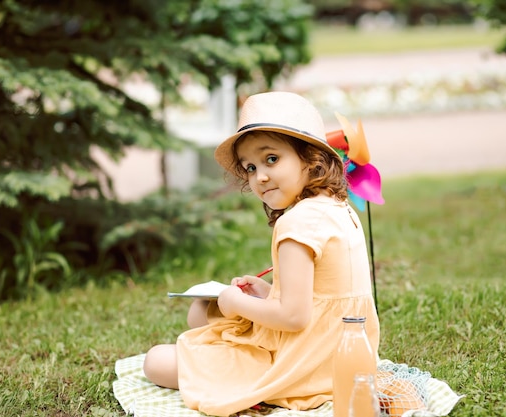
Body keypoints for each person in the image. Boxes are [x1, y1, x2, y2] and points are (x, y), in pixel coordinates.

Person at [143, 91, 380, 416]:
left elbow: (295, 318)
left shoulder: (296, 222)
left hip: (308, 364)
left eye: (271, 159)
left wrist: (234, 301)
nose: (260, 176)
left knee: (157, 360)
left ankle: (256, 385)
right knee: (200, 315)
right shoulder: (339, 209)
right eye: (250, 167)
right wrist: (267, 292)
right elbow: (323, 295)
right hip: (349, 354)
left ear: (312, 159)